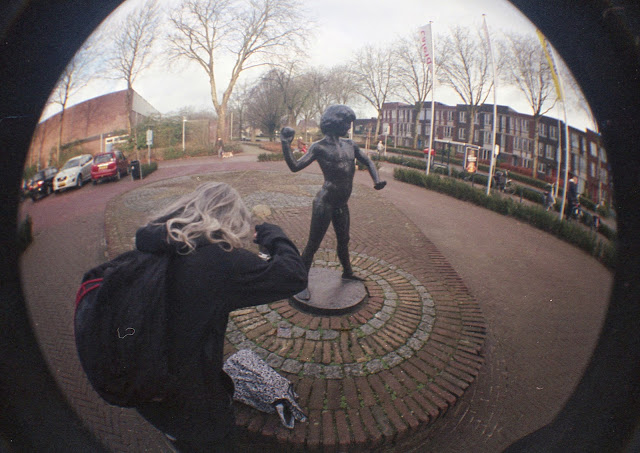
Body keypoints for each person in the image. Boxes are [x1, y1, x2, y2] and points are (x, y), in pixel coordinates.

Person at [133, 181, 307, 452]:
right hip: (190, 402)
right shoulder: (218, 261)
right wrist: (274, 235)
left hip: (146, 382)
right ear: (230, 219)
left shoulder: (154, 242)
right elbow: (294, 276)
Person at [281, 104, 386, 300]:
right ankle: (300, 283)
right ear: (335, 122)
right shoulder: (319, 147)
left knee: (344, 240)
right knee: (313, 243)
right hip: (325, 202)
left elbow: (369, 161)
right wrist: (285, 144)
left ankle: (347, 271)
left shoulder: (350, 145)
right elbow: (295, 166)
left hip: (341, 203)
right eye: (346, 122)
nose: (348, 126)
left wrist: (377, 180)